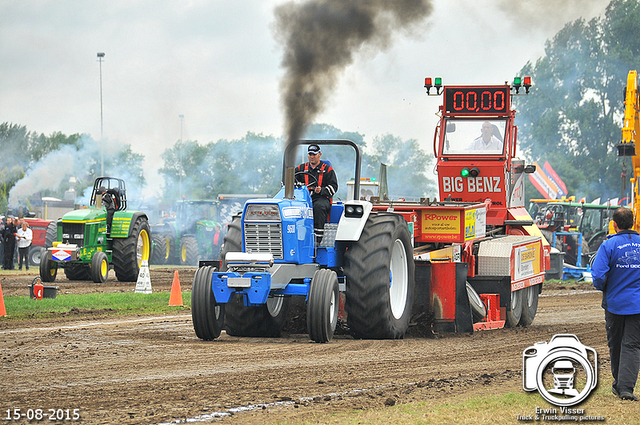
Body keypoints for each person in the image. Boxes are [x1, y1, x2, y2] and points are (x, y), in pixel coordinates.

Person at [592, 207, 640, 401]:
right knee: (632, 345)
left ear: (614, 224)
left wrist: (604, 286)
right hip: (637, 306)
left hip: (614, 304)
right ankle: (625, 388)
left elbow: (597, 275)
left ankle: (620, 385)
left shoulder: (608, 245)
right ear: (634, 222)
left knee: (616, 344)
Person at [295, 144, 338, 240]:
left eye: (314, 154)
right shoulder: (300, 169)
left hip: (321, 198)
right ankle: (295, 237)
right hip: (303, 198)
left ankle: (316, 239)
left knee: (319, 207)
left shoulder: (328, 170)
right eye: (310, 154)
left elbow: (334, 187)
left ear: (319, 155)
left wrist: (322, 190)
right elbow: (291, 181)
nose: (312, 156)